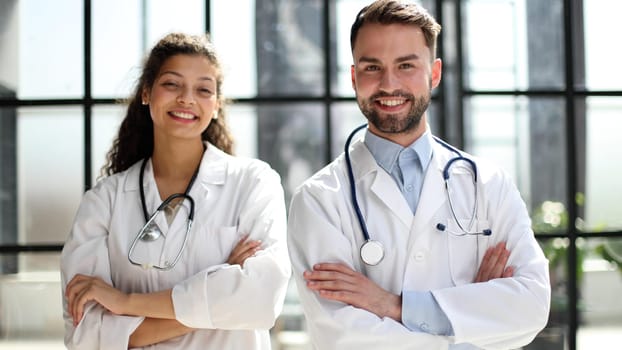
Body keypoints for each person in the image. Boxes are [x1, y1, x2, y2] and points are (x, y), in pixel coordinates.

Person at [287, 1, 551, 349]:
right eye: (372, 67)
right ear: (354, 77)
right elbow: (345, 337)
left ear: (435, 73)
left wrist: (392, 306)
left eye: (406, 65)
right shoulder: (319, 199)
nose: (389, 84)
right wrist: (471, 323)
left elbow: (530, 306)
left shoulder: (488, 185)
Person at [61, 32, 291, 349]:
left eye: (203, 89)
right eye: (172, 84)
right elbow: (86, 334)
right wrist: (219, 300)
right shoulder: (105, 200)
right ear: (146, 92)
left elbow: (261, 300)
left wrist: (125, 302)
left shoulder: (253, 183)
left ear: (216, 105)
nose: (187, 98)